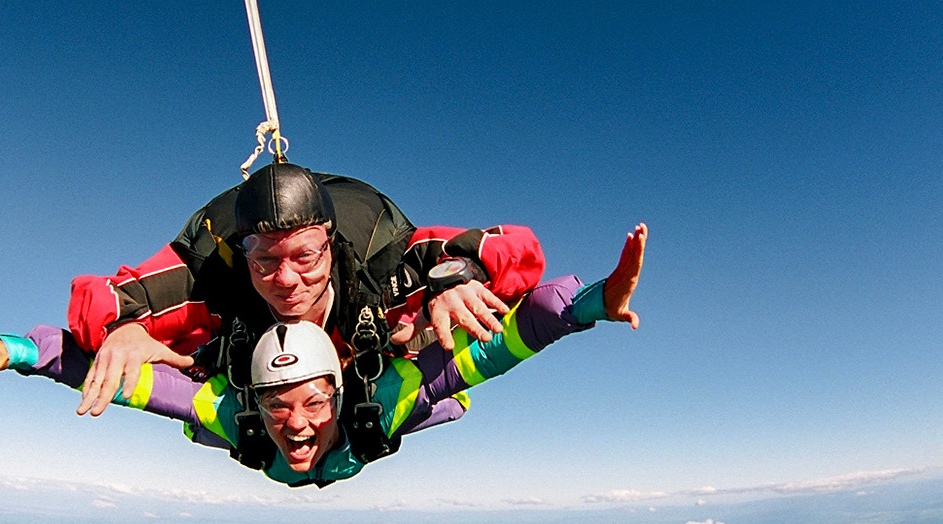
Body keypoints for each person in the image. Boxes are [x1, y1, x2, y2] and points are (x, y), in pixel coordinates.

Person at [0, 223, 645, 487]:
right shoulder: (235, 413)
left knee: (442, 379)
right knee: (167, 364)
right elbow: (107, 376)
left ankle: (416, 332)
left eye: (309, 402)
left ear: (338, 392)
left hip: (378, 380)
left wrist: (593, 302)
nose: (296, 423)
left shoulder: (381, 399)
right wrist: (13, 349)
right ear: (256, 403)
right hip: (309, 393)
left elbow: (515, 338)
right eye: (278, 406)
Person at [65, 163, 605, 421]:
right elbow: (98, 298)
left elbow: (514, 247)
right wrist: (122, 330)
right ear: (243, 253)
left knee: (423, 349)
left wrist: (457, 278)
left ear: (330, 244)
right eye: (265, 260)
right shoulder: (213, 276)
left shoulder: (382, 262)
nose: (286, 279)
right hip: (266, 401)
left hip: (372, 364)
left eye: (305, 256)